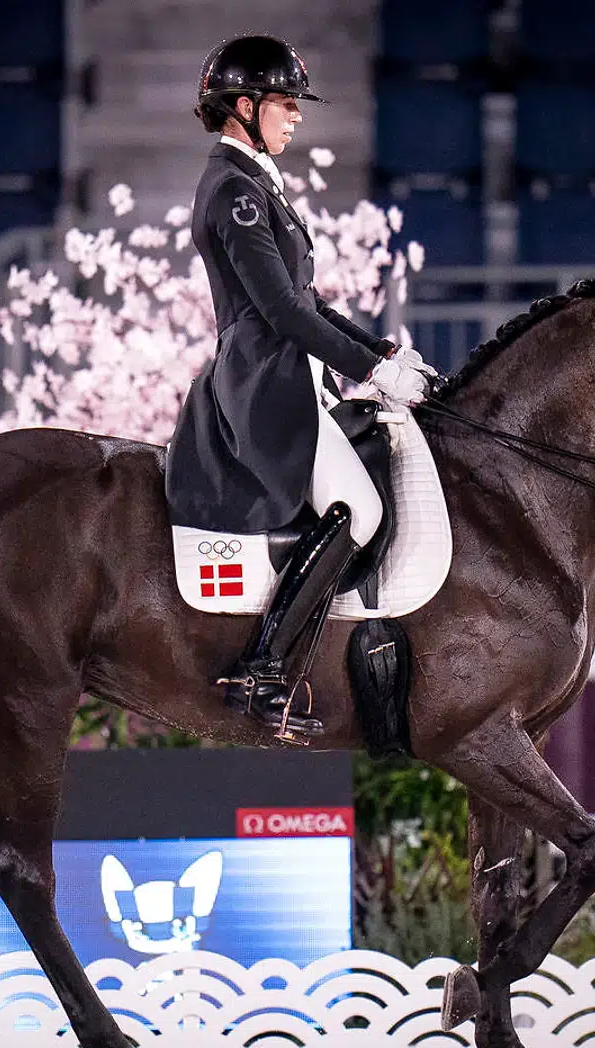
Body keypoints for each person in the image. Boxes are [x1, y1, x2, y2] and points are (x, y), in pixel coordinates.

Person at [164, 34, 436, 739]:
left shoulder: (256, 184)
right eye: (285, 104)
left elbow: (305, 300)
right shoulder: (235, 192)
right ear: (244, 107)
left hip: (291, 374)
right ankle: (265, 669)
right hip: (263, 385)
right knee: (361, 509)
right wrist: (374, 372)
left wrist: (380, 351)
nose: (295, 117)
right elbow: (282, 312)